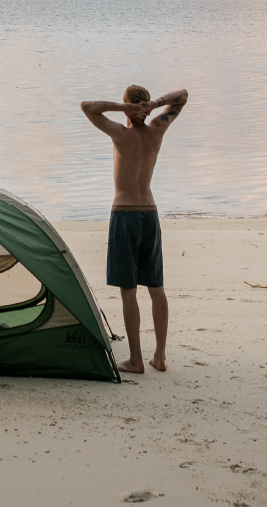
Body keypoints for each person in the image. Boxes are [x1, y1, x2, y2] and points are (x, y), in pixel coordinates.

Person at [80, 84, 188, 374]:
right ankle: (160, 357)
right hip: (150, 215)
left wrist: (121, 108)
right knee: (156, 287)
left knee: (128, 289)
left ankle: (137, 359)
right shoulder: (157, 129)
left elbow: (87, 106)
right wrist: (157, 103)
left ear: (129, 105)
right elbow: (182, 96)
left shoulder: (121, 133)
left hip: (125, 215)